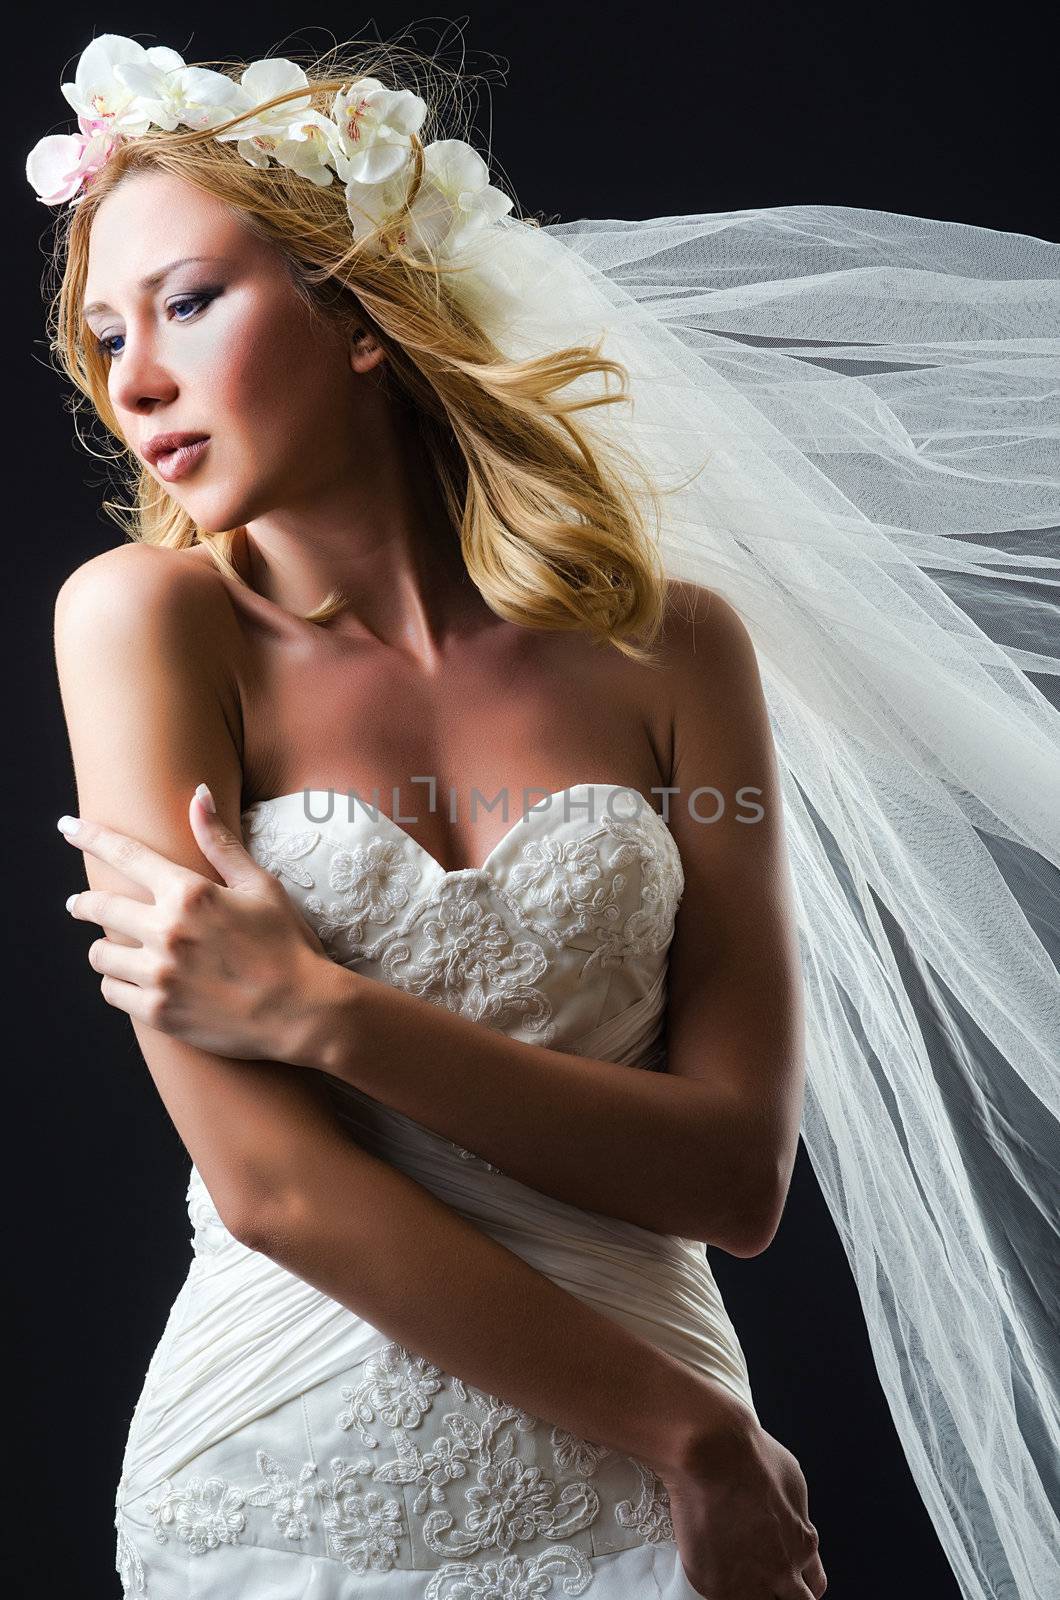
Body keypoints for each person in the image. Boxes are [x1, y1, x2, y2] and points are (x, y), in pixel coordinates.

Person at [34, 30, 1060, 1600]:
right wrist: (695, 1440)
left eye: (189, 301)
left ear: (360, 308)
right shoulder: (144, 623)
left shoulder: (676, 649)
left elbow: (734, 1181)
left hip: (659, 1516)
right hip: (288, 1488)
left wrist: (321, 1010)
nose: (139, 378)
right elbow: (273, 1186)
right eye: (106, 335)